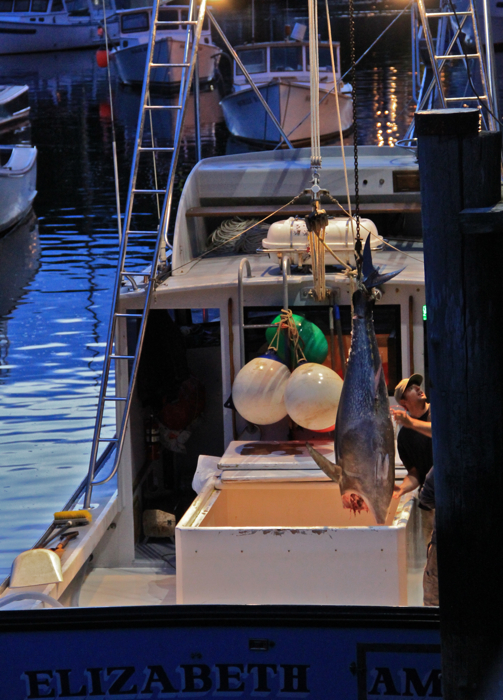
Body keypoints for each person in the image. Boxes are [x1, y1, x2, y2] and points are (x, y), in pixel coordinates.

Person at [391, 373, 432, 499]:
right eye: (411, 389)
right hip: (433, 498)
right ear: (404, 401)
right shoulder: (404, 437)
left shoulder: (438, 410)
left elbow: (440, 432)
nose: (419, 388)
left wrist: (411, 422)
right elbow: (416, 473)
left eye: (417, 386)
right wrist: (402, 488)